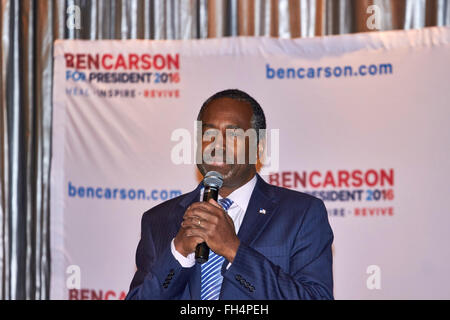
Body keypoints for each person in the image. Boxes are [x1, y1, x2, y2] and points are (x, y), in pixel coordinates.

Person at [125, 89, 334, 300]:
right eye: (209, 134)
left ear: (258, 148)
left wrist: (234, 250)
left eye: (233, 135)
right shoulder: (158, 220)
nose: (218, 145)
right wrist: (178, 253)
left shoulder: (301, 214)